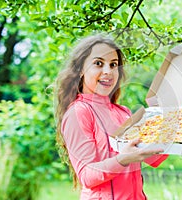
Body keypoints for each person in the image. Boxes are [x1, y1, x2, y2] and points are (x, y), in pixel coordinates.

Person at [55, 35, 168, 199]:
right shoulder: (78, 112)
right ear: (80, 70)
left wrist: (174, 132)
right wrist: (123, 159)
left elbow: (154, 159)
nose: (108, 71)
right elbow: (87, 176)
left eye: (113, 64)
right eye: (98, 63)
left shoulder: (123, 112)